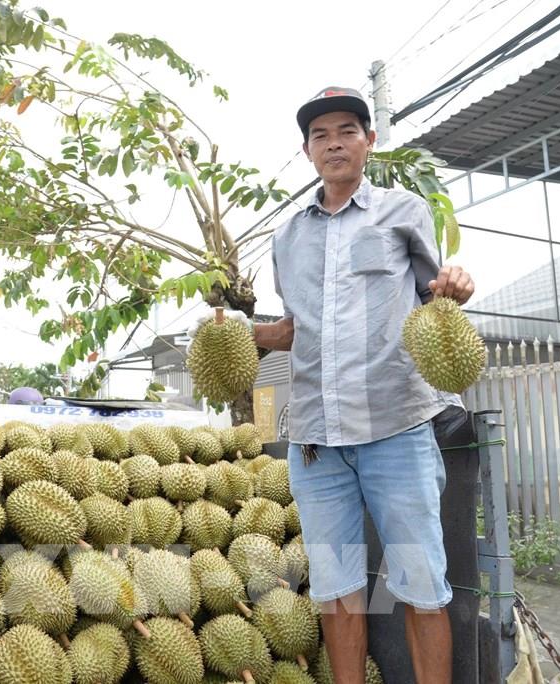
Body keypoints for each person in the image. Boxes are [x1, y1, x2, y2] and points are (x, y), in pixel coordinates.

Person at [189, 86, 474, 684]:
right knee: (338, 589)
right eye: (321, 135)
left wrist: (456, 283)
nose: (334, 143)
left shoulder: (403, 212)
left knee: (422, 586)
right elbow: (299, 329)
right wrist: (236, 335)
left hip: (396, 426)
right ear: (307, 150)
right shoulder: (288, 236)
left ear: (368, 141)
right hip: (317, 441)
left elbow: (434, 301)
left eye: (347, 130)